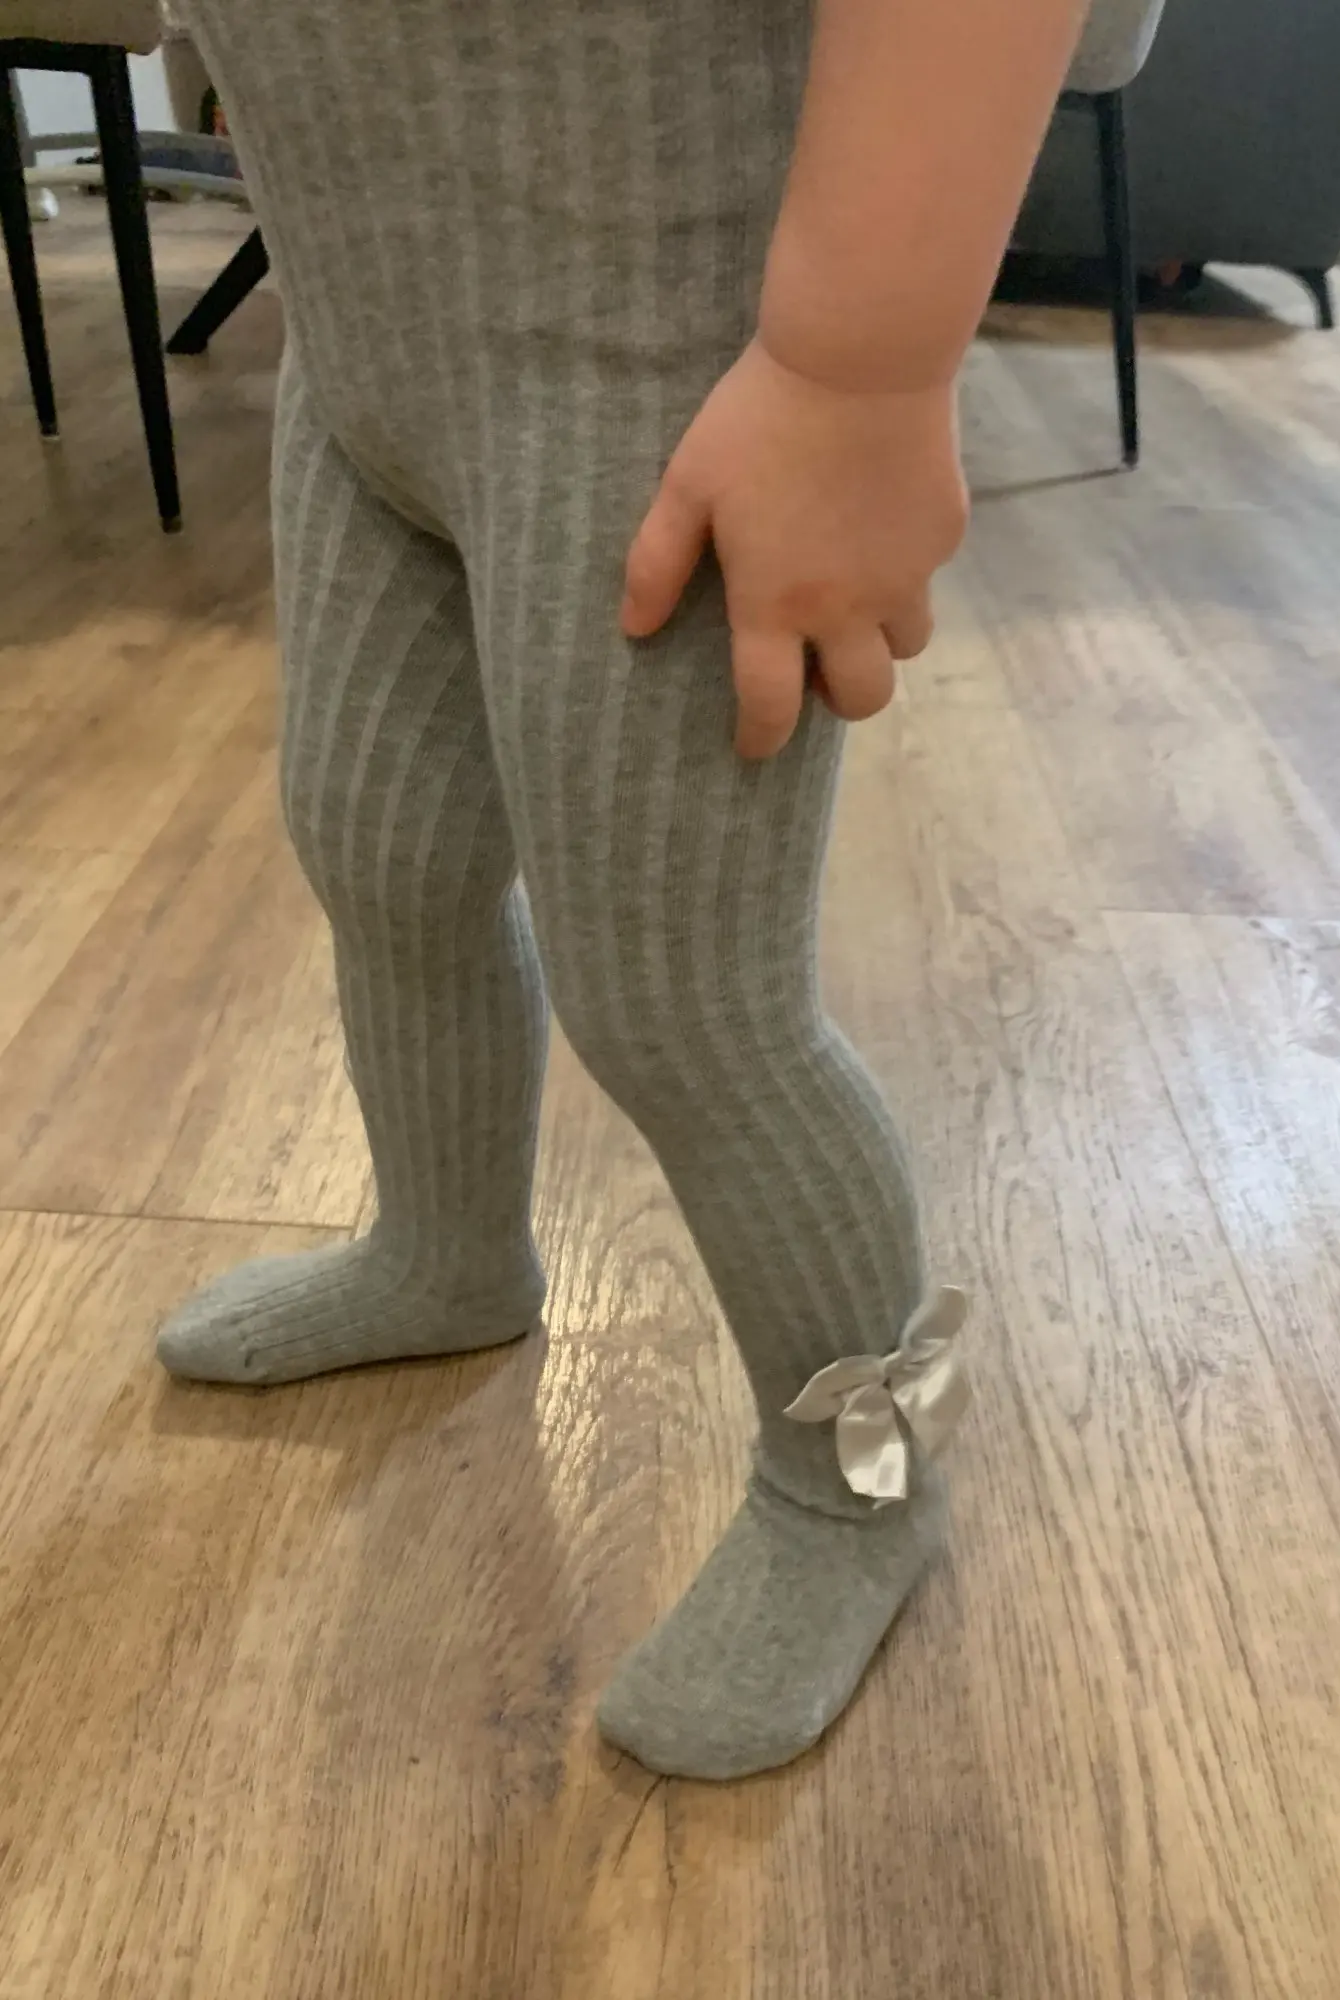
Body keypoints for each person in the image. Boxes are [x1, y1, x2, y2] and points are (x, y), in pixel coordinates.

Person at [158, 0, 1086, 1780]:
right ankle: (442, 1253)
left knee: (685, 1005)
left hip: (660, 373)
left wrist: (861, 372)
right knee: (380, 851)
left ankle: (854, 1488)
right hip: (362, 339)